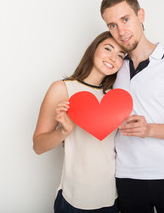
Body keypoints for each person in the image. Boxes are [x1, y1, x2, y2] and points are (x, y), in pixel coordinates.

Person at [100, 0, 164, 213]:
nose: (120, 31)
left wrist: (149, 129)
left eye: (125, 19)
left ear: (141, 15)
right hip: (127, 178)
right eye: (112, 25)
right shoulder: (113, 67)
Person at [32, 31, 126, 213]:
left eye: (120, 55)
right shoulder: (62, 89)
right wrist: (63, 132)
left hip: (111, 199)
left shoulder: (116, 98)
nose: (113, 58)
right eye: (108, 49)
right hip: (72, 199)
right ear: (93, 50)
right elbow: (38, 146)